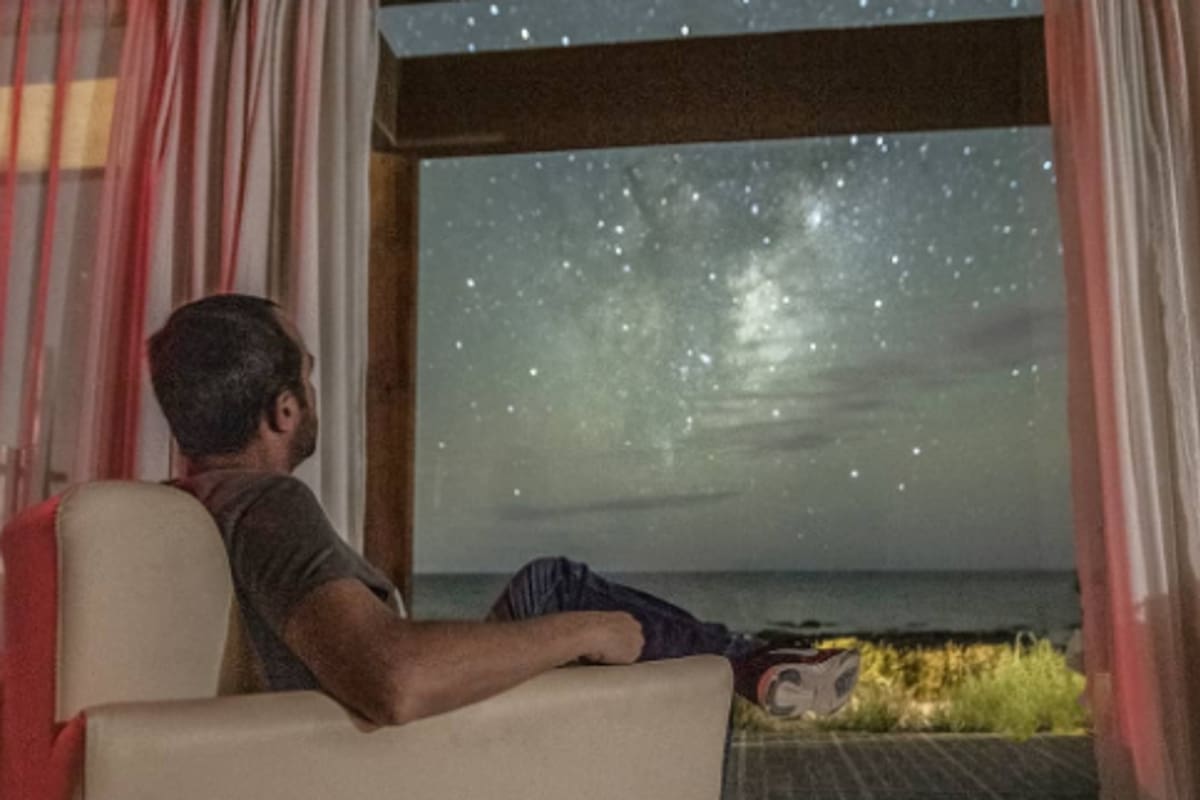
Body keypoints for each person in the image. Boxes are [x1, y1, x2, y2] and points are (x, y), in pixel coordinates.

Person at [147, 293, 859, 727]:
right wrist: (591, 630)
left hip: (349, 740)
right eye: (306, 369)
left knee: (546, 584)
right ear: (285, 408)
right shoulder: (270, 503)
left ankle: (750, 662)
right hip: (417, 758)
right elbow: (395, 680)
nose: (313, 384)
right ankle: (747, 666)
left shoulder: (196, 504)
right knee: (573, 601)